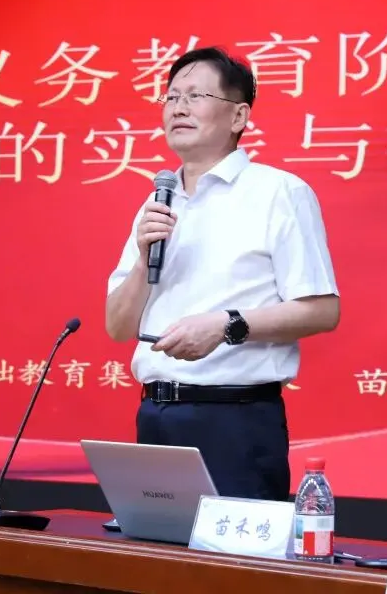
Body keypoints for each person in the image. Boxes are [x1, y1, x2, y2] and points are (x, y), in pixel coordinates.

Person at [104, 46, 341, 502]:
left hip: (235, 421)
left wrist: (226, 325)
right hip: (155, 415)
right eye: (172, 97)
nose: (179, 108)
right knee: (152, 548)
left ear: (238, 116)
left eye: (196, 96)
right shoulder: (158, 201)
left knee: (229, 549)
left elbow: (322, 310)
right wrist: (142, 260)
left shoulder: (278, 192)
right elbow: (118, 327)